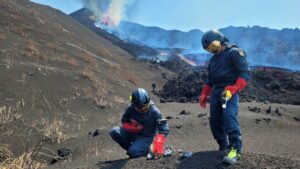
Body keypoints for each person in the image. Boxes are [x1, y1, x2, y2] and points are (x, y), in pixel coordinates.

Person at [199, 29, 251, 165]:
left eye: (213, 47)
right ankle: (223, 146)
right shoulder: (213, 60)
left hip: (230, 90)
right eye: (209, 49)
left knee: (229, 116)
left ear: (220, 40)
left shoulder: (234, 53)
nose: (212, 51)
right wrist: (205, 93)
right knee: (214, 120)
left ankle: (235, 149)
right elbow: (210, 80)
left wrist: (235, 88)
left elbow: (245, 73)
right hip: (217, 91)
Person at [109, 88, 169, 159]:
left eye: (145, 107)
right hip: (132, 133)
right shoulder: (130, 109)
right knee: (114, 131)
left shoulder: (155, 112)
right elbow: (124, 122)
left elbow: (164, 129)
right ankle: (133, 149)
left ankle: (146, 150)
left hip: (146, 137)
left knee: (132, 152)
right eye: (140, 107)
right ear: (134, 105)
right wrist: (133, 127)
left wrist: (157, 146)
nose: (143, 109)